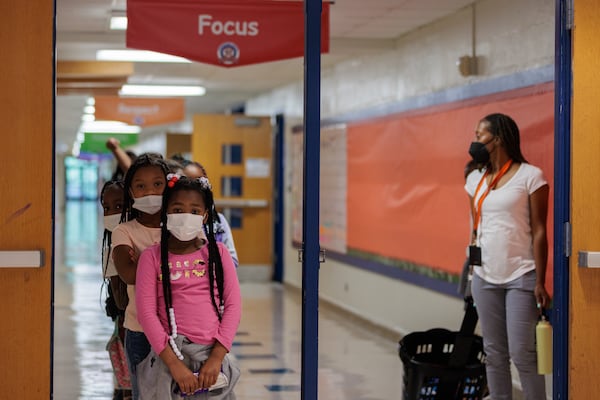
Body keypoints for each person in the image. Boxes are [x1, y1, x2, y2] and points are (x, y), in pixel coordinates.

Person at [464, 113, 550, 400]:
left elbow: (539, 230)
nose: (475, 141)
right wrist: (471, 273)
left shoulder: (531, 176)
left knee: (522, 353)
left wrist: (540, 278)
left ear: (497, 138)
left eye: (479, 135)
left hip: (521, 275)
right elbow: (475, 227)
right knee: (494, 352)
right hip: (484, 276)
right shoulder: (475, 178)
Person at [135, 174, 241, 399]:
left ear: (205, 216)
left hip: (211, 354)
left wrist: (216, 358)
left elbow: (233, 306)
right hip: (169, 354)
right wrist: (174, 365)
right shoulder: (151, 257)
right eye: (177, 209)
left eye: (194, 211)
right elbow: (146, 314)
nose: (185, 217)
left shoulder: (218, 253)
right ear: (166, 212)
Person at [111, 153, 170, 400]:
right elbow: (130, 275)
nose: (150, 192)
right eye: (141, 186)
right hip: (140, 331)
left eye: (158, 184)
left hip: (180, 330)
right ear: (131, 192)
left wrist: (145, 259)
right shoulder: (123, 231)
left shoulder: (181, 227)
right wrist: (172, 263)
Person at [100, 180, 132, 400]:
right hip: (128, 326)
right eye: (107, 207)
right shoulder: (109, 249)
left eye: (118, 206)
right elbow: (121, 302)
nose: (111, 213)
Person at [177, 158, 239, 267]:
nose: (192, 190)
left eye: (198, 183)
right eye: (187, 182)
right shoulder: (173, 222)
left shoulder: (218, 220)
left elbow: (232, 260)